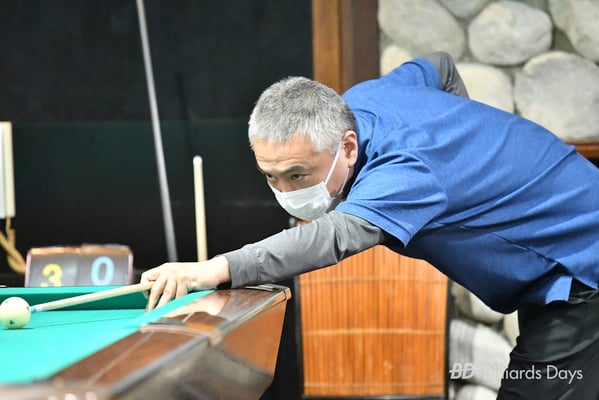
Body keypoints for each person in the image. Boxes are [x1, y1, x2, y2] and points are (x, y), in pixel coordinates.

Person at [141, 52, 599, 398]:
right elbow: (438, 66)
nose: (284, 190)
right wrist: (468, 147)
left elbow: (334, 237)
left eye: (298, 175)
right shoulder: (362, 100)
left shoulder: (407, 173)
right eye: (270, 176)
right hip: (559, 254)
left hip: (582, 262)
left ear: (348, 146)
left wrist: (213, 268)